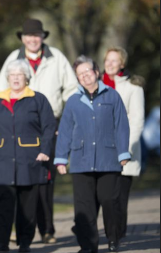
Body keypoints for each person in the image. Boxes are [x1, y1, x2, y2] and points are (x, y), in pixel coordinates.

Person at [0, 18, 78, 243]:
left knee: (45, 180)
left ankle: (47, 229)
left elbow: (71, 89)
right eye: (28, 35)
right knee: (17, 181)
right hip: (20, 126)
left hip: (52, 124)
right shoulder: (13, 58)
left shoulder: (57, 57)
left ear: (42, 37)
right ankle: (15, 230)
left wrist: (66, 122)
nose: (32, 39)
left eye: (37, 35)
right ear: (22, 38)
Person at [54, 55, 131, 253]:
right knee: (84, 206)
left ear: (96, 72)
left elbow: (121, 125)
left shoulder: (112, 96)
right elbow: (65, 130)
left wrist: (123, 153)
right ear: (77, 78)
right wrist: (61, 158)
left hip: (109, 159)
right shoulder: (73, 101)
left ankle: (113, 238)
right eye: (81, 74)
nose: (85, 76)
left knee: (109, 201)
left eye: (88, 71)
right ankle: (88, 246)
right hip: (81, 160)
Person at [0, 59, 56, 252]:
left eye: (20, 75)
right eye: (13, 75)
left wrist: (45, 149)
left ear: (27, 77)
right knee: (3, 200)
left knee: (27, 202)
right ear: (7, 78)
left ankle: (25, 242)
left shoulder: (38, 99)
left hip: (30, 158)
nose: (16, 78)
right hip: (2, 158)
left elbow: (50, 126)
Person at [103, 47, 145, 239]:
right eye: (107, 60)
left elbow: (137, 122)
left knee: (119, 198)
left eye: (114, 60)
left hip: (123, 152)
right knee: (103, 196)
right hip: (101, 151)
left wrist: (125, 151)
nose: (109, 64)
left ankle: (117, 236)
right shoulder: (95, 86)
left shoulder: (133, 89)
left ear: (122, 64)